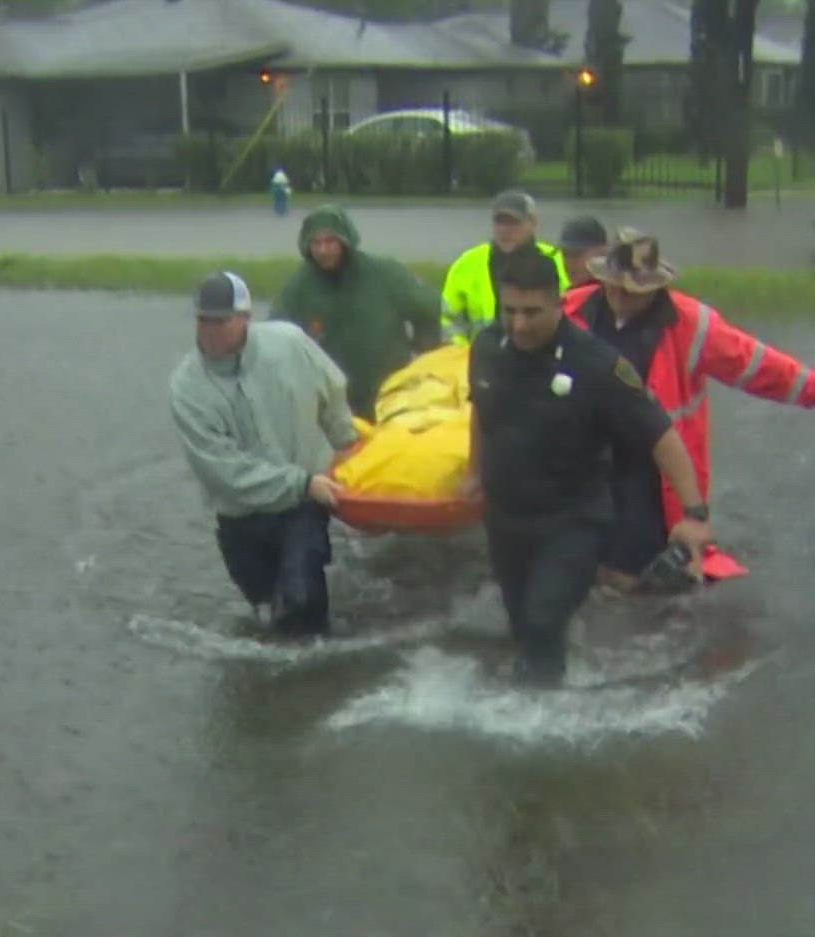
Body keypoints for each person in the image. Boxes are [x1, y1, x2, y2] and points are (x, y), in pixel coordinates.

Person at [462, 249, 709, 687]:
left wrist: (694, 515)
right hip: (506, 518)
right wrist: (473, 472)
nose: (519, 324)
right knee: (522, 626)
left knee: (542, 620)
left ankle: (538, 718)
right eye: (510, 311)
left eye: (533, 312)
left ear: (560, 304)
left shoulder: (597, 364)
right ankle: (540, 689)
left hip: (572, 519)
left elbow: (661, 435)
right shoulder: (487, 347)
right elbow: (482, 413)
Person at [564, 229, 815, 591]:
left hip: (652, 465)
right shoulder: (571, 311)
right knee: (579, 559)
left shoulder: (689, 324)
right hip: (587, 457)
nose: (617, 295)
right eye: (612, 284)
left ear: (653, 287)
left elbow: (753, 363)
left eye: (630, 289)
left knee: (633, 576)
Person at [170, 271, 359, 636]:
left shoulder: (289, 343)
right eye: (203, 319)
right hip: (241, 518)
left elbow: (332, 392)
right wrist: (303, 483)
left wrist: (347, 445)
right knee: (267, 613)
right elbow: (221, 471)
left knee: (302, 603)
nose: (210, 329)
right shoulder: (186, 388)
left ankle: (315, 681)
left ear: (245, 317)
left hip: (303, 506)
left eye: (221, 320)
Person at [270, 205, 442, 422]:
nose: (323, 250)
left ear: (345, 241)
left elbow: (428, 306)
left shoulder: (384, 274)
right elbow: (273, 337)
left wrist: (425, 354)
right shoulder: (298, 288)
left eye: (330, 241)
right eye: (316, 243)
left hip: (388, 398)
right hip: (331, 408)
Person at [440, 190, 569, 345]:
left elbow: (570, 314)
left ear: (533, 224)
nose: (506, 230)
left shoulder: (556, 261)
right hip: (482, 357)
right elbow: (447, 319)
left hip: (543, 355)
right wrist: (465, 353)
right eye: (500, 222)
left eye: (514, 222)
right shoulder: (467, 263)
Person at [557, 215, 610, 289]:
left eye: (576, 254)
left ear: (603, 253)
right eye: (565, 254)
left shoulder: (617, 296)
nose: (570, 262)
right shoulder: (568, 295)